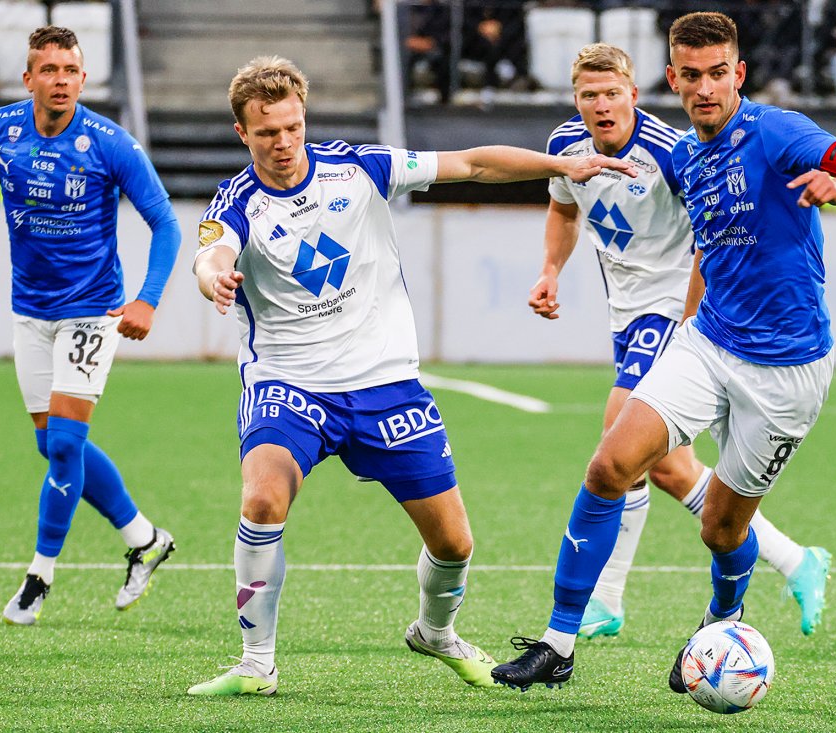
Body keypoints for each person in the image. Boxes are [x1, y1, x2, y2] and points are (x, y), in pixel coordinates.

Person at [186, 55, 635, 697]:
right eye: (266, 133)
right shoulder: (236, 202)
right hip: (289, 383)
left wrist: (561, 166)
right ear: (243, 134)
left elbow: (471, 163)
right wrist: (215, 280)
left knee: (454, 543)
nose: (283, 144)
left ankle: (435, 632)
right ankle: (257, 662)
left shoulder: (359, 168)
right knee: (262, 499)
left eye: (292, 128)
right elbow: (211, 254)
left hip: (385, 383)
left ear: (303, 118)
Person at [492, 11, 836, 692]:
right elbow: (706, 243)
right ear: (673, 79)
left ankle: (721, 620)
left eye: (719, 73)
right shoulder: (683, 155)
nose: (705, 87)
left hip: (787, 370)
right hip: (708, 342)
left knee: (720, 528)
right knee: (610, 464)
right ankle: (559, 641)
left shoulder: (776, 132)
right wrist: (685, 326)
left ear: (737, 74)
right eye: (692, 75)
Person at [529, 42, 831, 643]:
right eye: (589, 95)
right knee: (668, 470)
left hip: (673, 308)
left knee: (618, 439)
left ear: (634, 93)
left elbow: (710, 237)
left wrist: (692, 326)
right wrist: (550, 270)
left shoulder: (671, 152)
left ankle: (604, 598)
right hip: (625, 314)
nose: (601, 104)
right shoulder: (565, 147)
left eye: (612, 92)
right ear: (576, 100)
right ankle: (796, 560)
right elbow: (564, 211)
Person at [0, 26, 181, 625]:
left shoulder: (109, 143)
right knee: (52, 445)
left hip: (93, 310)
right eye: (50, 70)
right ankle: (146, 540)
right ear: (29, 78)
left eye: (71, 70)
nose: (61, 80)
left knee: (65, 443)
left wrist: (146, 300)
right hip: (31, 312)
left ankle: (39, 577)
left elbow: (166, 224)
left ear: (83, 77)